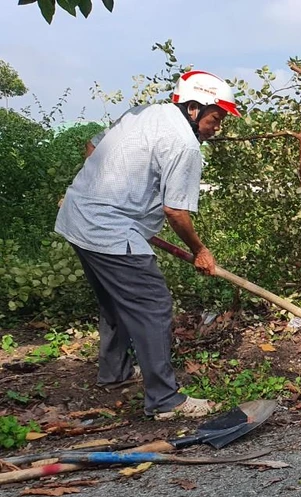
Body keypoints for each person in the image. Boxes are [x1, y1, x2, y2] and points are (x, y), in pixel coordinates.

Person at [55, 70, 241, 420]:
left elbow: (92, 147)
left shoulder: (144, 113)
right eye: (216, 118)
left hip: (78, 216)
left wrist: (101, 193)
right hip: (107, 228)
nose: (218, 127)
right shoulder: (184, 145)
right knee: (153, 304)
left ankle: (115, 374)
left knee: (115, 301)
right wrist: (201, 251)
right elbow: (176, 211)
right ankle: (165, 401)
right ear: (193, 108)